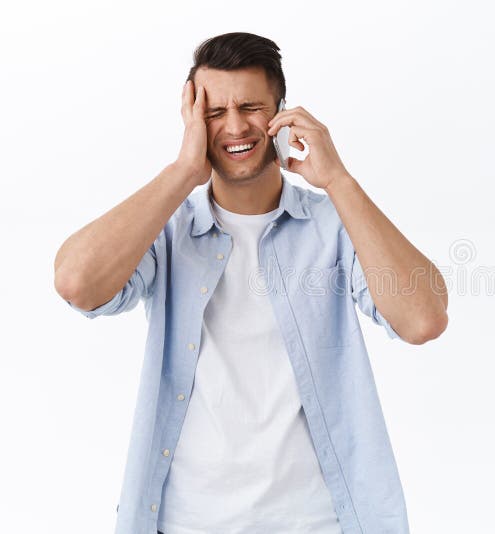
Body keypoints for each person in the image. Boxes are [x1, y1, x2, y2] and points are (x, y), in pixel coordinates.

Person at [54, 32, 448, 534]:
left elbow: (424, 320)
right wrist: (182, 171)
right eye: (215, 112)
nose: (235, 126)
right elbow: (75, 283)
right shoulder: (166, 228)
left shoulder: (334, 225)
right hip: (186, 522)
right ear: (193, 120)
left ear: (280, 111)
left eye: (250, 106)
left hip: (320, 521)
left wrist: (340, 182)